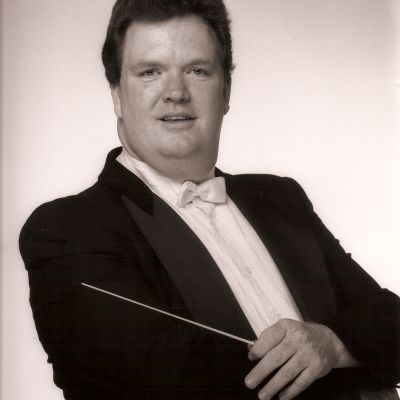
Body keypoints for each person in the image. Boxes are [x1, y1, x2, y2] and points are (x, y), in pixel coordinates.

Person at [19, 1, 400, 399]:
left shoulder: (280, 198)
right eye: (150, 72)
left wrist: (330, 344)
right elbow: (171, 385)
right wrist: (358, 368)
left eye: (197, 71)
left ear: (226, 91)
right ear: (117, 94)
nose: (176, 93)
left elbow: (390, 321)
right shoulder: (68, 228)